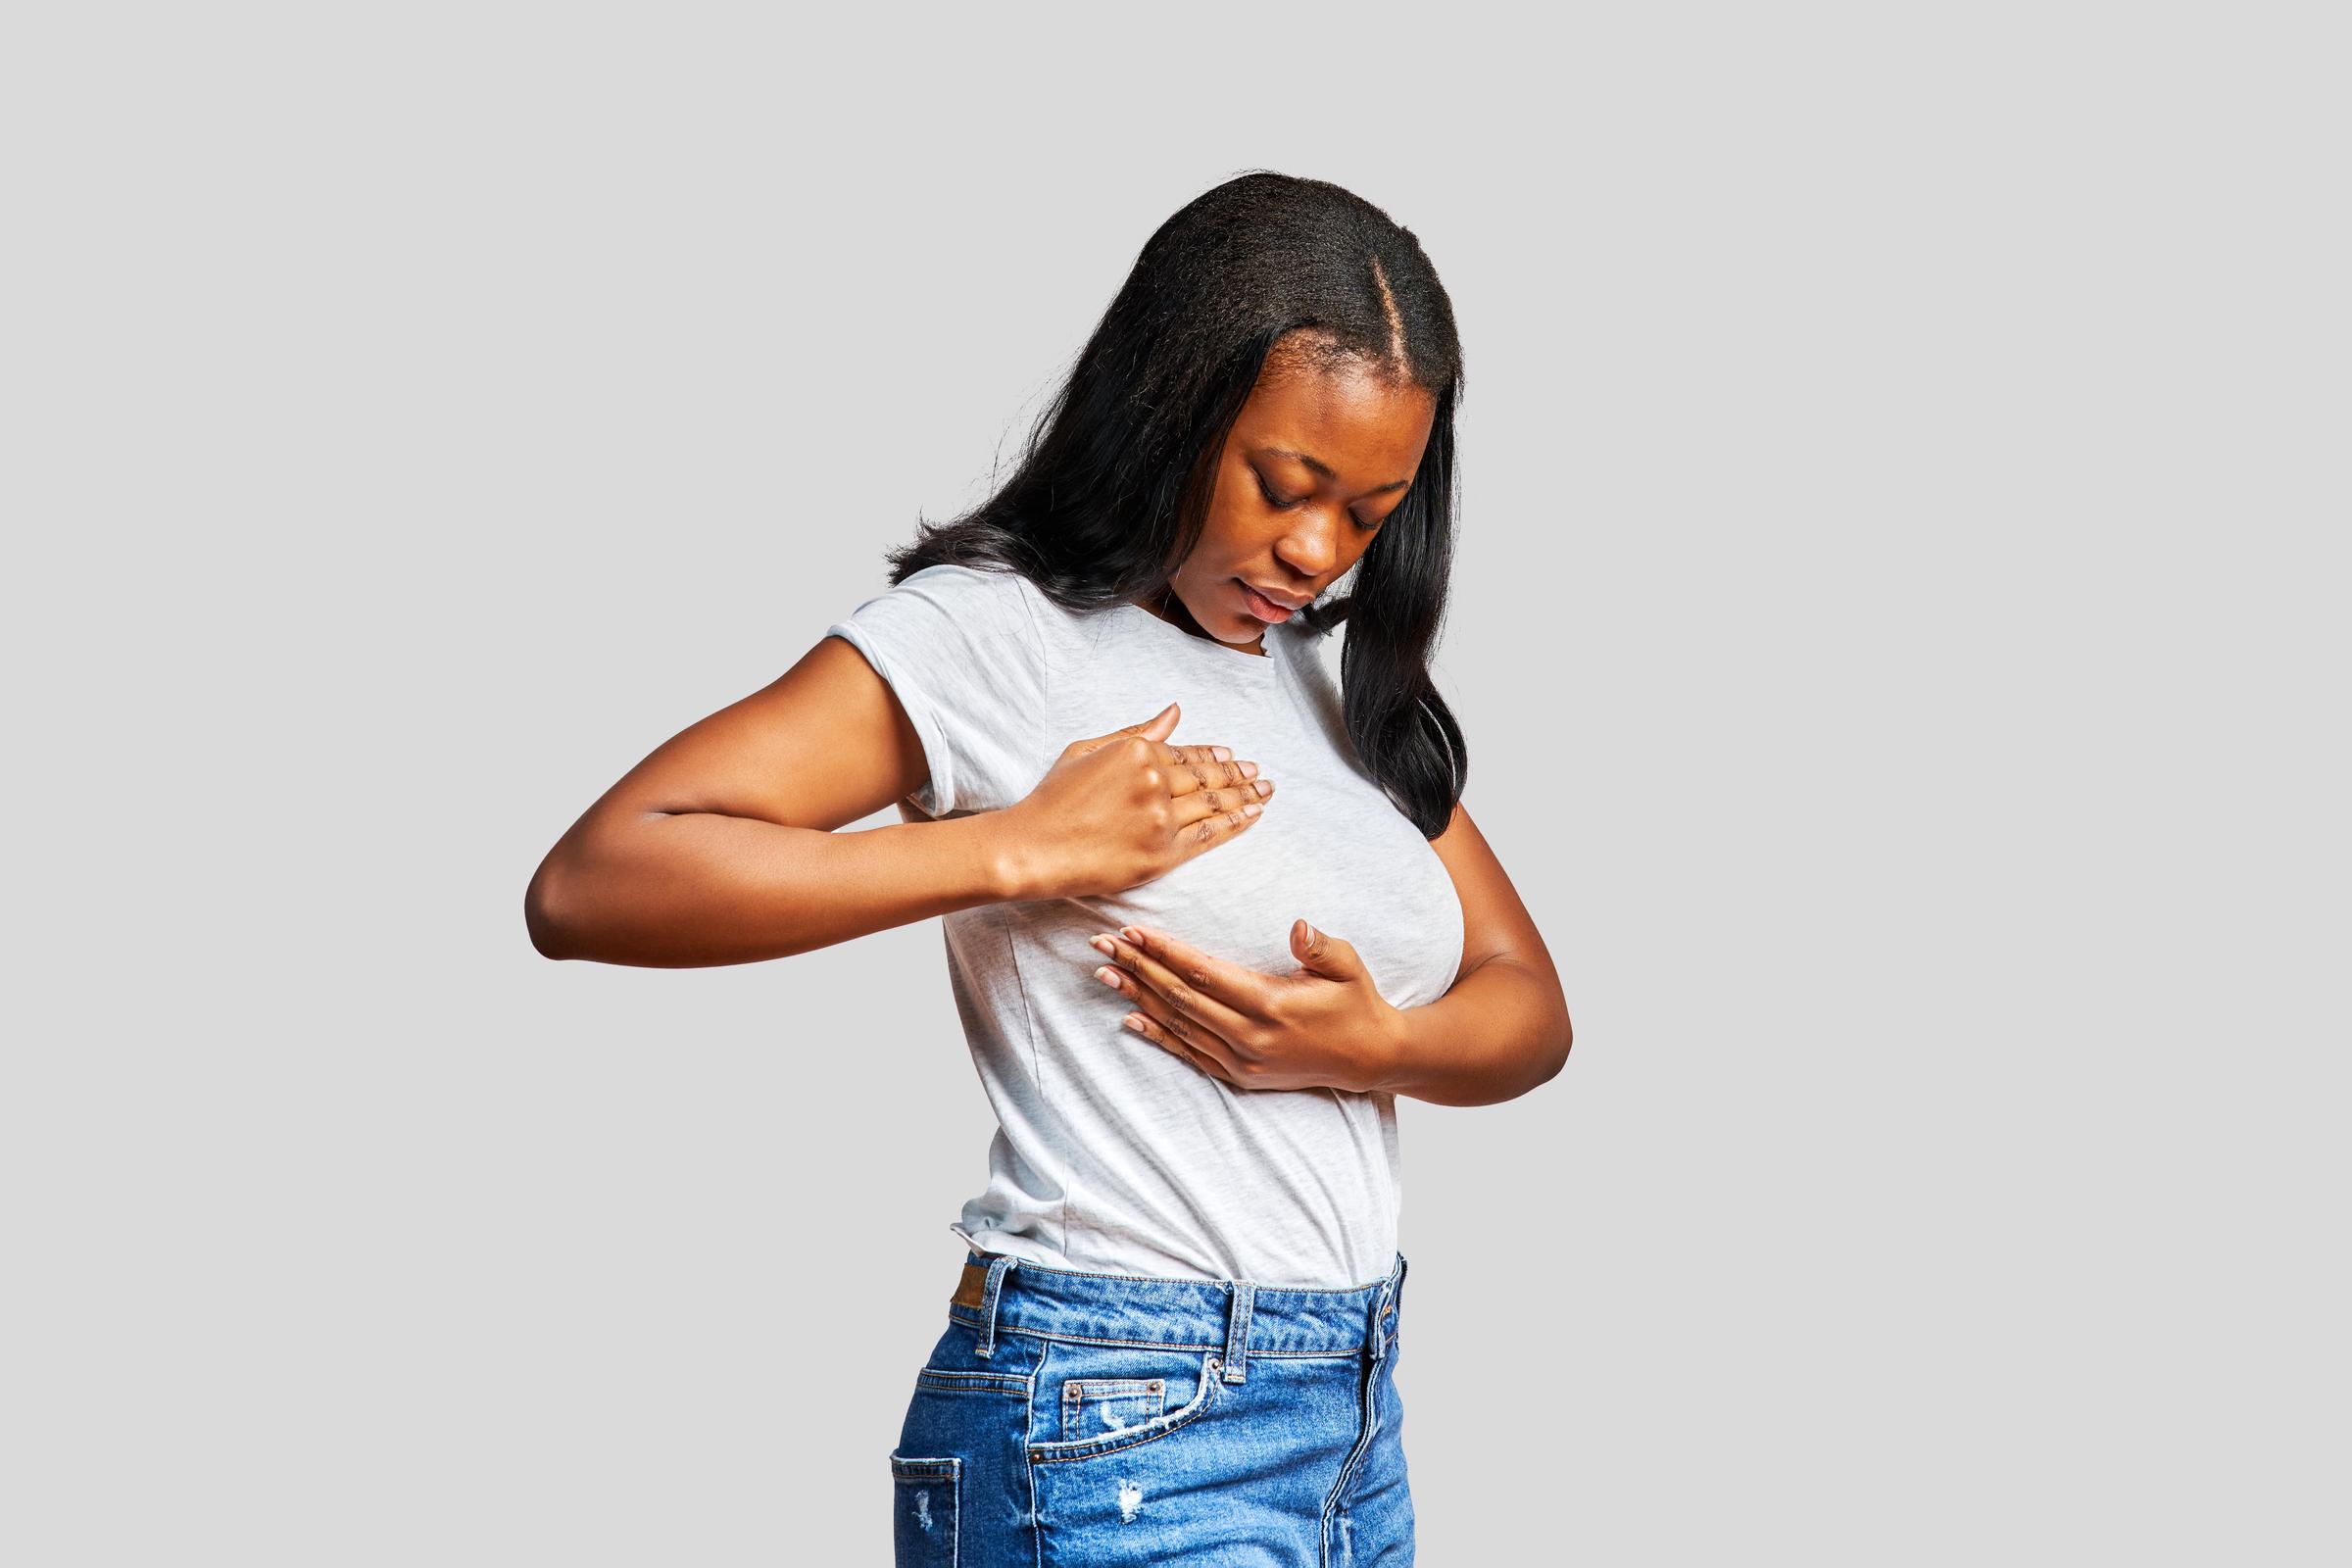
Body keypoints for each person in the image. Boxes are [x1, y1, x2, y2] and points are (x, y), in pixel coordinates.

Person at [523, 170, 1572, 1567]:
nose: (1317, 552)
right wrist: (1015, 849)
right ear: (1172, 411)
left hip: (1351, 1417)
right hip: (1117, 1410)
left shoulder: (1342, 685)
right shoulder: (995, 638)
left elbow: (1529, 1006)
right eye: (1284, 485)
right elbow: (596, 878)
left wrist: (1374, 1041)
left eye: (1368, 515)